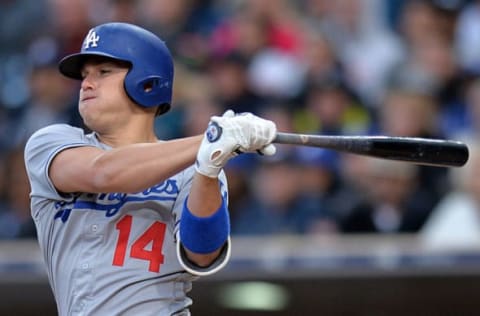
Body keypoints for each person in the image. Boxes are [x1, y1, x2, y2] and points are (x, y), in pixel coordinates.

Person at [23, 22, 277, 316]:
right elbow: (103, 172)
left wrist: (208, 169)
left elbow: (202, 253)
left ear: (147, 83)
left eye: (103, 72)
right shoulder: (51, 142)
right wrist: (209, 141)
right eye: (84, 76)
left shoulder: (196, 165)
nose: (86, 84)